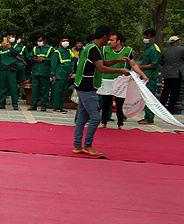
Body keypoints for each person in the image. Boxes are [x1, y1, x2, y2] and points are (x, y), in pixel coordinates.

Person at [73, 26, 130, 156]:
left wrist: (117, 61)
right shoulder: (93, 49)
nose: (109, 41)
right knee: (95, 117)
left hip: (83, 86)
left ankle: (77, 145)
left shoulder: (91, 48)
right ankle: (87, 145)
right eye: (109, 38)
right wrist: (121, 70)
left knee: (82, 117)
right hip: (87, 88)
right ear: (104, 37)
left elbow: (102, 63)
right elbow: (102, 68)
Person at [99, 32, 132, 128]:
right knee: (105, 102)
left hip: (120, 80)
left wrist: (142, 75)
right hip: (106, 78)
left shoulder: (128, 51)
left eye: (112, 40)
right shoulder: (105, 49)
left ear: (119, 41)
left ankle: (120, 124)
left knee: (119, 102)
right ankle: (104, 122)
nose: (110, 42)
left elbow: (132, 64)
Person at [136, 29, 162, 124]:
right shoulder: (148, 47)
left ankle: (149, 118)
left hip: (150, 77)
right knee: (145, 97)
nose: (145, 39)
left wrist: (140, 67)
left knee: (149, 97)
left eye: (146, 38)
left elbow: (154, 64)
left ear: (152, 37)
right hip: (145, 75)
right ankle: (147, 116)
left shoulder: (154, 48)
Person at [159, 35, 184, 113]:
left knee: (165, 90)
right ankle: (170, 108)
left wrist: (166, 66)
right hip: (177, 73)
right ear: (177, 42)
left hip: (167, 72)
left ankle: (161, 106)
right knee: (175, 91)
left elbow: (160, 60)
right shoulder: (182, 49)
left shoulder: (165, 50)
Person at [0, 33, 25, 110]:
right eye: (11, 36)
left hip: (10, 69)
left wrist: (10, 47)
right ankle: (2, 103)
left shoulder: (15, 46)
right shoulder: (1, 47)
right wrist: (0, 47)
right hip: (2, 69)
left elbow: (16, 53)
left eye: (14, 36)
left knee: (13, 87)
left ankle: (15, 104)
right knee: (2, 87)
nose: (12, 38)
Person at [50, 37, 75, 113]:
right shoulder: (57, 52)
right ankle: (56, 106)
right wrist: (53, 75)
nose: (66, 42)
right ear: (60, 42)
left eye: (67, 41)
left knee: (64, 91)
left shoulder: (69, 52)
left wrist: (71, 72)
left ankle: (61, 106)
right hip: (59, 74)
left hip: (66, 75)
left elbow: (72, 62)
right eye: (64, 41)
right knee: (58, 91)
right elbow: (53, 64)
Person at [28, 35, 53, 111]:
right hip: (36, 72)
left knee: (44, 90)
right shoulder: (35, 48)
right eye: (38, 40)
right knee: (35, 89)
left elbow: (53, 59)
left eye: (40, 40)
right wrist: (33, 58)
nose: (39, 42)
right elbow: (29, 58)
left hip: (45, 72)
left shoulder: (50, 49)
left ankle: (44, 105)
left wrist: (44, 59)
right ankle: (33, 104)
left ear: (45, 40)